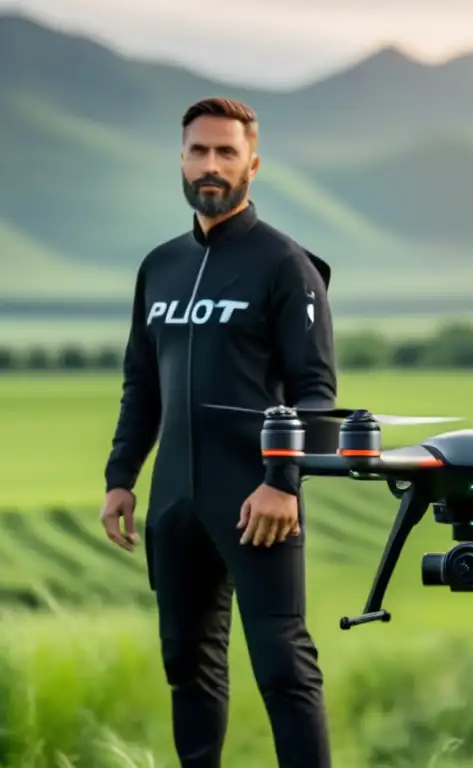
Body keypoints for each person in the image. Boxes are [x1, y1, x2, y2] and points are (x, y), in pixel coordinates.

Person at [98, 96, 338, 768]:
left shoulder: (286, 265)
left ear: (252, 164)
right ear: (181, 159)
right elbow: (142, 383)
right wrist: (121, 478)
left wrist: (281, 483)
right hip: (175, 502)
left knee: (282, 666)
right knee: (187, 669)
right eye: (199, 151)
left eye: (225, 152)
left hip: (255, 499)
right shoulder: (160, 267)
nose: (211, 165)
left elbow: (317, 393)